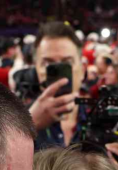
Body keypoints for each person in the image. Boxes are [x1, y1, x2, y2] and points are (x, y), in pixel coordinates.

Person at [30, 21, 86, 149]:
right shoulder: (13, 120)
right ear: (36, 70)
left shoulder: (99, 121)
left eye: (67, 63)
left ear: (83, 70)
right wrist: (29, 125)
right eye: (47, 64)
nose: (59, 73)